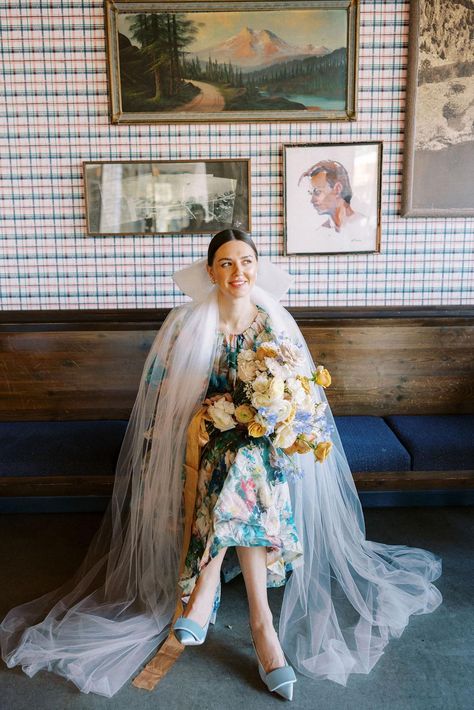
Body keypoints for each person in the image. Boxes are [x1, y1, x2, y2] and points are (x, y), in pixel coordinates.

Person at [0, 230, 442, 700]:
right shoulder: (188, 323)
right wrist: (209, 415)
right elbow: (162, 399)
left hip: (259, 443)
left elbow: (300, 395)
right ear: (210, 270)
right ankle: (262, 626)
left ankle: (207, 582)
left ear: (257, 266)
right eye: (227, 263)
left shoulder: (272, 325)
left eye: (246, 262)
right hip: (202, 436)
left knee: (246, 456)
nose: (238, 273)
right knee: (236, 458)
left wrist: (275, 414)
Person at [297, 160, 372, 252]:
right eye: (311, 193)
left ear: (337, 189)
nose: (312, 200)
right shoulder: (320, 233)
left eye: (317, 192)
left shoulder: (365, 226)